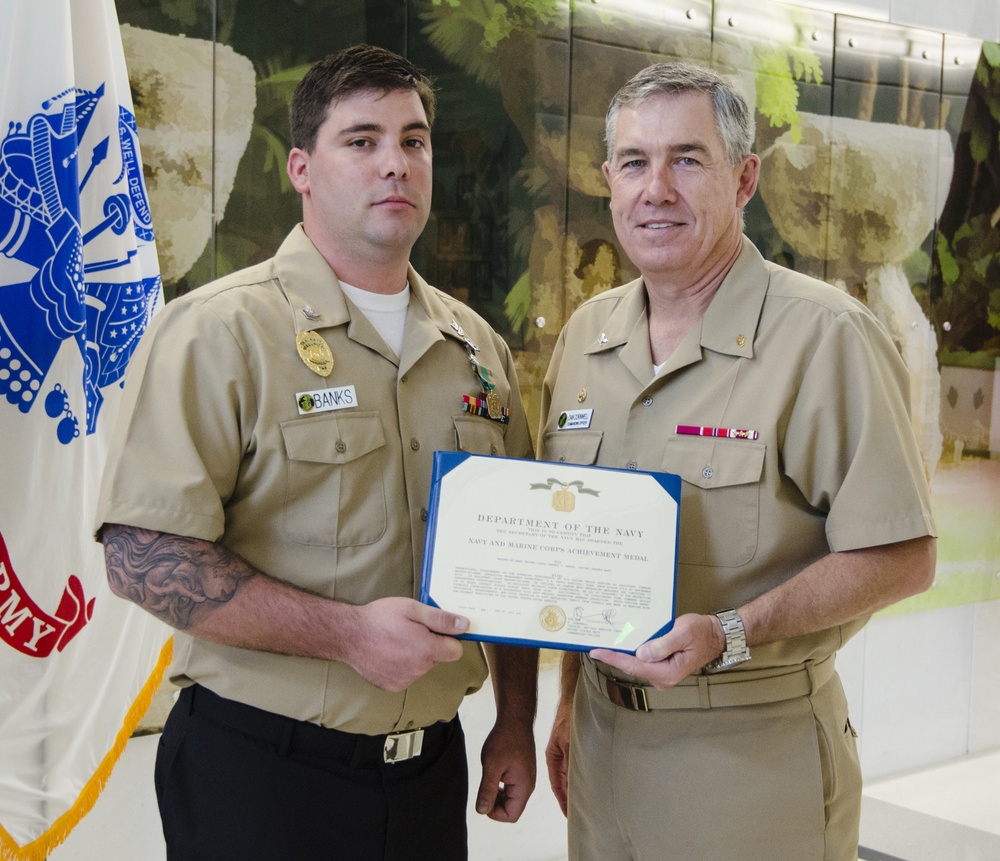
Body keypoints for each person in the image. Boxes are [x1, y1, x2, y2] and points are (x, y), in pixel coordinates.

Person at [96, 44, 537, 861]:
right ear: (301, 167)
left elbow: (519, 555)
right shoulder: (220, 333)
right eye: (361, 140)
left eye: (414, 140)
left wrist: (515, 718)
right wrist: (347, 635)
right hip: (262, 773)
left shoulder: (478, 351)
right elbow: (139, 555)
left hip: (428, 775)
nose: (395, 164)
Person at [540, 61, 936, 861]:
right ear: (609, 182)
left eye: (687, 159)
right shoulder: (587, 335)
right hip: (602, 744)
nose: (656, 188)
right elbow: (580, 555)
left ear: (744, 177)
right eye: (633, 162)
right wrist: (564, 707)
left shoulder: (825, 336)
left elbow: (903, 556)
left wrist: (731, 630)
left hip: (749, 761)